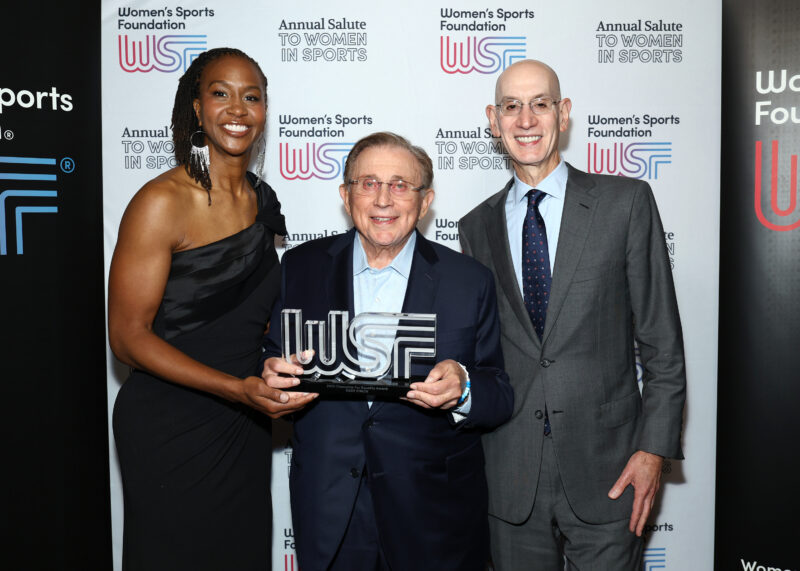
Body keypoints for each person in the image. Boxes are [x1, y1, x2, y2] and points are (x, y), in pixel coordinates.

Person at [458, 60, 686, 570]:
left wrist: (653, 451)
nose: (526, 120)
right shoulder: (476, 227)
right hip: (509, 477)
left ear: (563, 114)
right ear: (493, 121)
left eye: (540, 104)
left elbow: (662, 344)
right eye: (511, 106)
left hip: (611, 471)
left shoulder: (625, 203)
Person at [261, 132, 514, 571]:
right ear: (346, 196)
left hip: (433, 515)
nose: (383, 199)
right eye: (368, 183)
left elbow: (500, 393)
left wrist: (464, 388)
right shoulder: (299, 267)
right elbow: (270, 355)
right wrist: (270, 372)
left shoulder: (469, 280)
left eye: (400, 185)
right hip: (330, 511)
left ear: (425, 201)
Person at [108, 47, 314, 571]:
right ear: (197, 108)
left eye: (252, 97)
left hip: (244, 420)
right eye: (221, 93)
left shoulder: (261, 199)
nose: (238, 109)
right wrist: (235, 389)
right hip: (171, 422)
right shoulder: (161, 202)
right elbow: (126, 337)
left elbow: (246, 315)